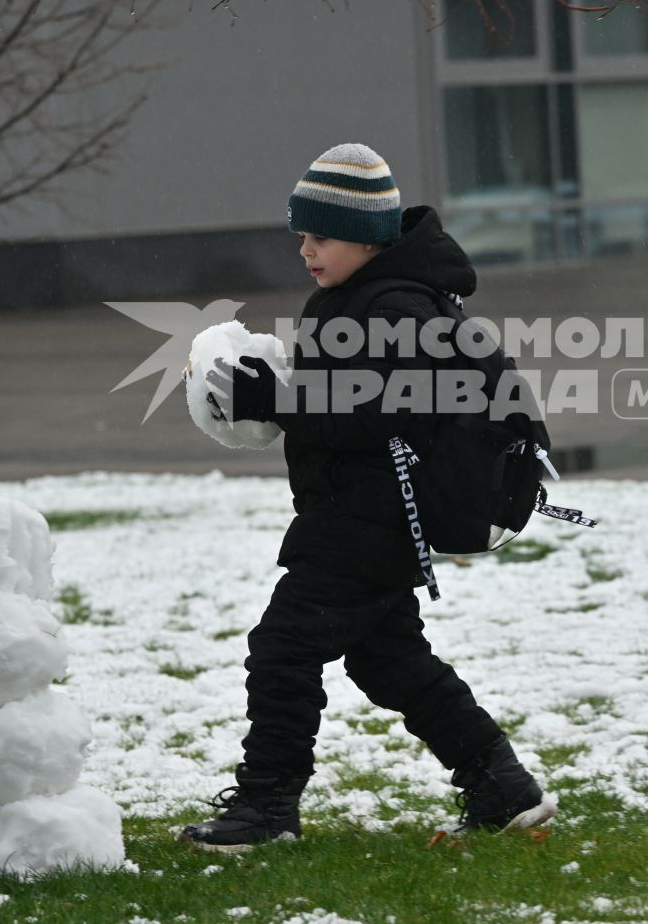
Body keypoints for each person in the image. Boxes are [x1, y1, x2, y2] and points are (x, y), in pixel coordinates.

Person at [178, 142, 554, 851]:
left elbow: (384, 404)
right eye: (302, 236)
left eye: (320, 236)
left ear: (369, 236)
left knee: (283, 648)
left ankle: (266, 808)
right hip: (364, 514)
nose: (306, 251)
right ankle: (503, 788)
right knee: (389, 660)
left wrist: (276, 395)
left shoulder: (396, 303)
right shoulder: (369, 297)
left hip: (370, 517)